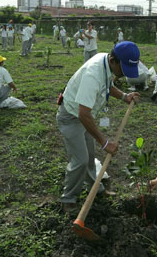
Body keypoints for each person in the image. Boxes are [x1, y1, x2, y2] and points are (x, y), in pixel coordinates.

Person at [57, 41, 141, 213]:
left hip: (84, 115)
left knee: (89, 157)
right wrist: (105, 143)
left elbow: (108, 85)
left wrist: (124, 96)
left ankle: (94, 189)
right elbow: (83, 114)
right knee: (80, 160)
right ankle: (69, 199)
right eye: (123, 69)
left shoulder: (105, 64)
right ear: (113, 61)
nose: (124, 75)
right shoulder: (93, 75)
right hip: (72, 117)